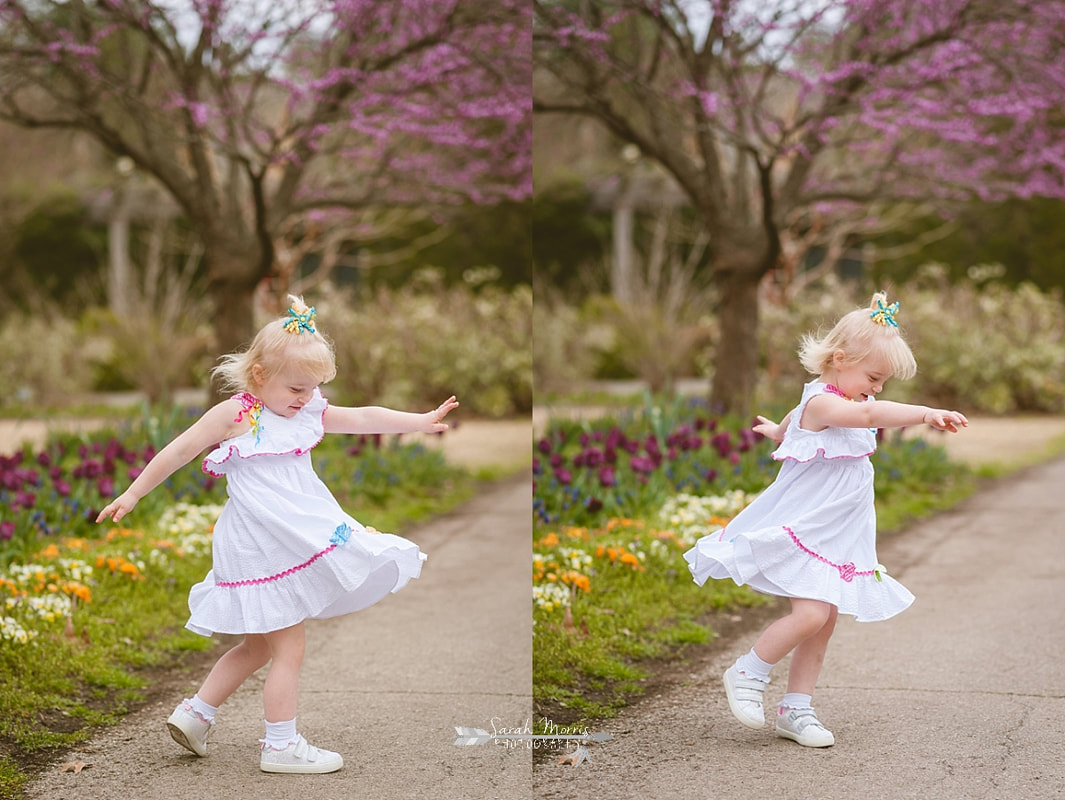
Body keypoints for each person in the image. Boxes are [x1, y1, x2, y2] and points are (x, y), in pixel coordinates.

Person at [96, 296, 458, 774]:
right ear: (261, 375)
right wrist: (133, 494)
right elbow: (180, 449)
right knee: (290, 647)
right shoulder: (238, 415)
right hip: (265, 544)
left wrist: (419, 421)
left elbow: (365, 417)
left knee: (258, 646)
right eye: (296, 387)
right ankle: (281, 746)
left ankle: (196, 714)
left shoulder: (305, 412)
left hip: (275, 542)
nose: (305, 398)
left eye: (312, 389)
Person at [684, 293, 967, 748]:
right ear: (840, 359)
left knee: (826, 617)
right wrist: (925, 413)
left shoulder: (824, 401)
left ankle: (796, 709)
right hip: (809, 527)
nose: (875, 389)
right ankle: (747, 672)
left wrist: (779, 431)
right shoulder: (827, 404)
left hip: (840, 531)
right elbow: (865, 414)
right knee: (812, 612)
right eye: (873, 377)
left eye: (882, 382)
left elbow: (800, 417)